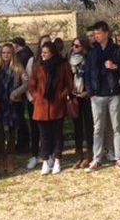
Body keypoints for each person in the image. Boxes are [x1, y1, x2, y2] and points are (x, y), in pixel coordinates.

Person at [84, 21, 120, 172]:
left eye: (98, 33)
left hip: (114, 94)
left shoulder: (118, 50)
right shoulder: (92, 53)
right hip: (97, 95)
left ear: (106, 33)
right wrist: (90, 92)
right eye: (95, 33)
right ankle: (96, 159)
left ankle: (119, 157)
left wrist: (115, 66)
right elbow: (87, 73)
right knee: (97, 128)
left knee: (117, 126)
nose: (95, 36)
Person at [28, 41, 73, 175]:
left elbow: (69, 84)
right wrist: (37, 97)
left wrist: (61, 95)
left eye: (46, 53)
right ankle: (46, 161)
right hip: (41, 106)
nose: (43, 55)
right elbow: (32, 85)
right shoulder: (38, 66)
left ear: (52, 53)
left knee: (57, 134)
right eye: (42, 53)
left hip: (56, 105)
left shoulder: (62, 65)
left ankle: (57, 159)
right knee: (44, 135)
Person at [0, 43, 28, 174]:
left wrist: (17, 92)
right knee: (0, 134)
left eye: (8, 53)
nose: (6, 55)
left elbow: (27, 82)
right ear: (0, 54)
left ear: (12, 54)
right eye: (4, 53)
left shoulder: (18, 68)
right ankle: (0, 159)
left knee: (12, 134)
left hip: (13, 104)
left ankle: (10, 159)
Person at [25, 34, 52, 170]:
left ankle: (49, 154)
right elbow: (29, 82)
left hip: (50, 102)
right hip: (35, 101)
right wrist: (33, 98)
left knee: (49, 130)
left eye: (48, 43)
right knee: (35, 130)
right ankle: (35, 155)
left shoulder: (55, 60)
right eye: (43, 44)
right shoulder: (32, 61)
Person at [68, 37, 94, 168]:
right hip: (74, 95)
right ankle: (79, 155)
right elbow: (68, 76)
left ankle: (90, 155)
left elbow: (93, 76)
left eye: (77, 46)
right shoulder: (70, 59)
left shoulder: (89, 59)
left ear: (83, 46)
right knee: (77, 126)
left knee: (89, 125)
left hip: (86, 96)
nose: (74, 47)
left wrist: (88, 91)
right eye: (73, 45)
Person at [10, 36, 33, 153]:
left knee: (19, 118)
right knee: (20, 118)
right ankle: (23, 143)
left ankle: (23, 144)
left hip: (21, 90)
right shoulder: (28, 53)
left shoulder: (21, 56)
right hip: (23, 90)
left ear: (16, 46)